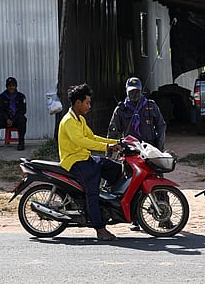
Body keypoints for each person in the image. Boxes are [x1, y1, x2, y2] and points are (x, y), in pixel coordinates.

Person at [58, 83, 122, 241]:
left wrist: (115, 142)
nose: (89, 106)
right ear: (78, 103)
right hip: (75, 162)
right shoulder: (69, 122)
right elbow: (83, 142)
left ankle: (109, 202)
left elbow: (92, 137)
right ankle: (100, 229)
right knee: (92, 192)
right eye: (87, 102)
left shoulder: (79, 119)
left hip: (85, 158)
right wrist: (107, 146)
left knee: (114, 168)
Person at [107, 77, 167, 231]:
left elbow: (161, 126)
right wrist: (112, 150)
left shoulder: (151, 106)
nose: (135, 94)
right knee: (132, 185)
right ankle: (135, 219)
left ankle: (164, 217)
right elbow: (113, 132)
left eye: (137, 91)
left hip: (149, 151)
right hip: (130, 153)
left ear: (141, 90)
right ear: (127, 92)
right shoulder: (120, 110)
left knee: (158, 182)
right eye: (132, 91)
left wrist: (159, 147)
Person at [0, 77, 27, 152]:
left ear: (16, 86)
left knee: (22, 118)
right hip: (5, 120)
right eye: (9, 86)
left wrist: (13, 120)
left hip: (16, 120)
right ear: (7, 87)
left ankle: (21, 142)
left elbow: (23, 110)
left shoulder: (21, 96)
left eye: (13, 85)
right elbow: (0, 111)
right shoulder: (2, 97)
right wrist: (7, 119)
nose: (11, 87)